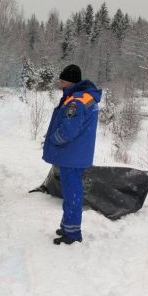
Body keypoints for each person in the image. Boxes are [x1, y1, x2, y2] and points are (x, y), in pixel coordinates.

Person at [42, 64, 102, 245]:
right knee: (71, 194)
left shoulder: (75, 102)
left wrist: (53, 139)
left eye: (62, 80)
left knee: (72, 195)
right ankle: (68, 226)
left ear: (69, 81)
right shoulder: (85, 98)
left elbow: (68, 130)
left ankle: (72, 233)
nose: (60, 84)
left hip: (72, 155)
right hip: (77, 154)